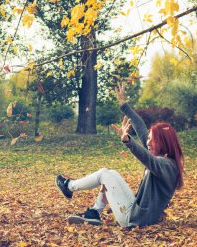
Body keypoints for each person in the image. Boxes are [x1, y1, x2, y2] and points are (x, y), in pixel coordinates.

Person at [55, 82, 184, 228]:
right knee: (111, 174)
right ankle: (95, 212)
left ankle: (69, 186)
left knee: (104, 173)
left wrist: (128, 140)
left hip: (135, 219)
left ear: (162, 142)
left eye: (151, 139)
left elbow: (147, 158)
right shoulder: (161, 158)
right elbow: (141, 129)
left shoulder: (166, 165)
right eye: (148, 138)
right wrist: (124, 105)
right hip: (137, 211)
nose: (147, 142)